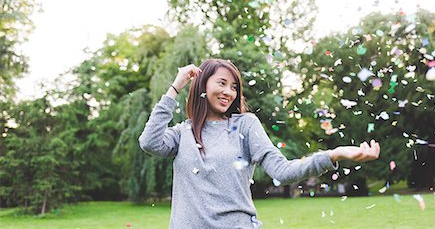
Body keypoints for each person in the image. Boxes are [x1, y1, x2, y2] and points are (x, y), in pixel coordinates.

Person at [139, 59, 380, 228]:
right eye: (221, 83)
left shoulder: (245, 125)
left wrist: (333, 155)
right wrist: (174, 88)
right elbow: (149, 142)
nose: (229, 92)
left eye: (234, 87)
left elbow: (283, 171)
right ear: (202, 86)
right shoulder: (183, 133)